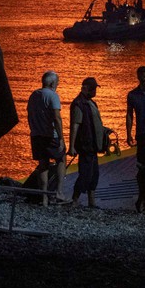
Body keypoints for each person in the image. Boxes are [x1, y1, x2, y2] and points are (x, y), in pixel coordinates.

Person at [25, 70, 71, 205]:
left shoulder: (34, 95)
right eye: (57, 82)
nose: (58, 84)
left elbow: (30, 114)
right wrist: (61, 138)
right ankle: (59, 192)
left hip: (36, 135)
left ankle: (44, 197)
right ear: (52, 83)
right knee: (61, 158)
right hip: (51, 136)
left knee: (43, 164)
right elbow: (56, 118)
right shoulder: (52, 96)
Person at [70, 77, 104, 208]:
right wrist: (72, 146)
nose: (95, 91)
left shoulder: (92, 103)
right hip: (85, 145)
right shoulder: (79, 104)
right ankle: (75, 200)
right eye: (93, 88)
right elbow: (75, 125)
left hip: (93, 146)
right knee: (85, 174)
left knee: (94, 174)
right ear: (85, 88)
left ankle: (91, 202)